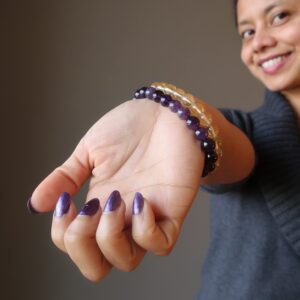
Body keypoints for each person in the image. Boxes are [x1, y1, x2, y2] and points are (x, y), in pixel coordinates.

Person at [27, 0, 300, 298]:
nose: (258, 42)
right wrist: (175, 116)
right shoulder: (248, 134)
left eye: (279, 16)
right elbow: (219, 141)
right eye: (246, 32)